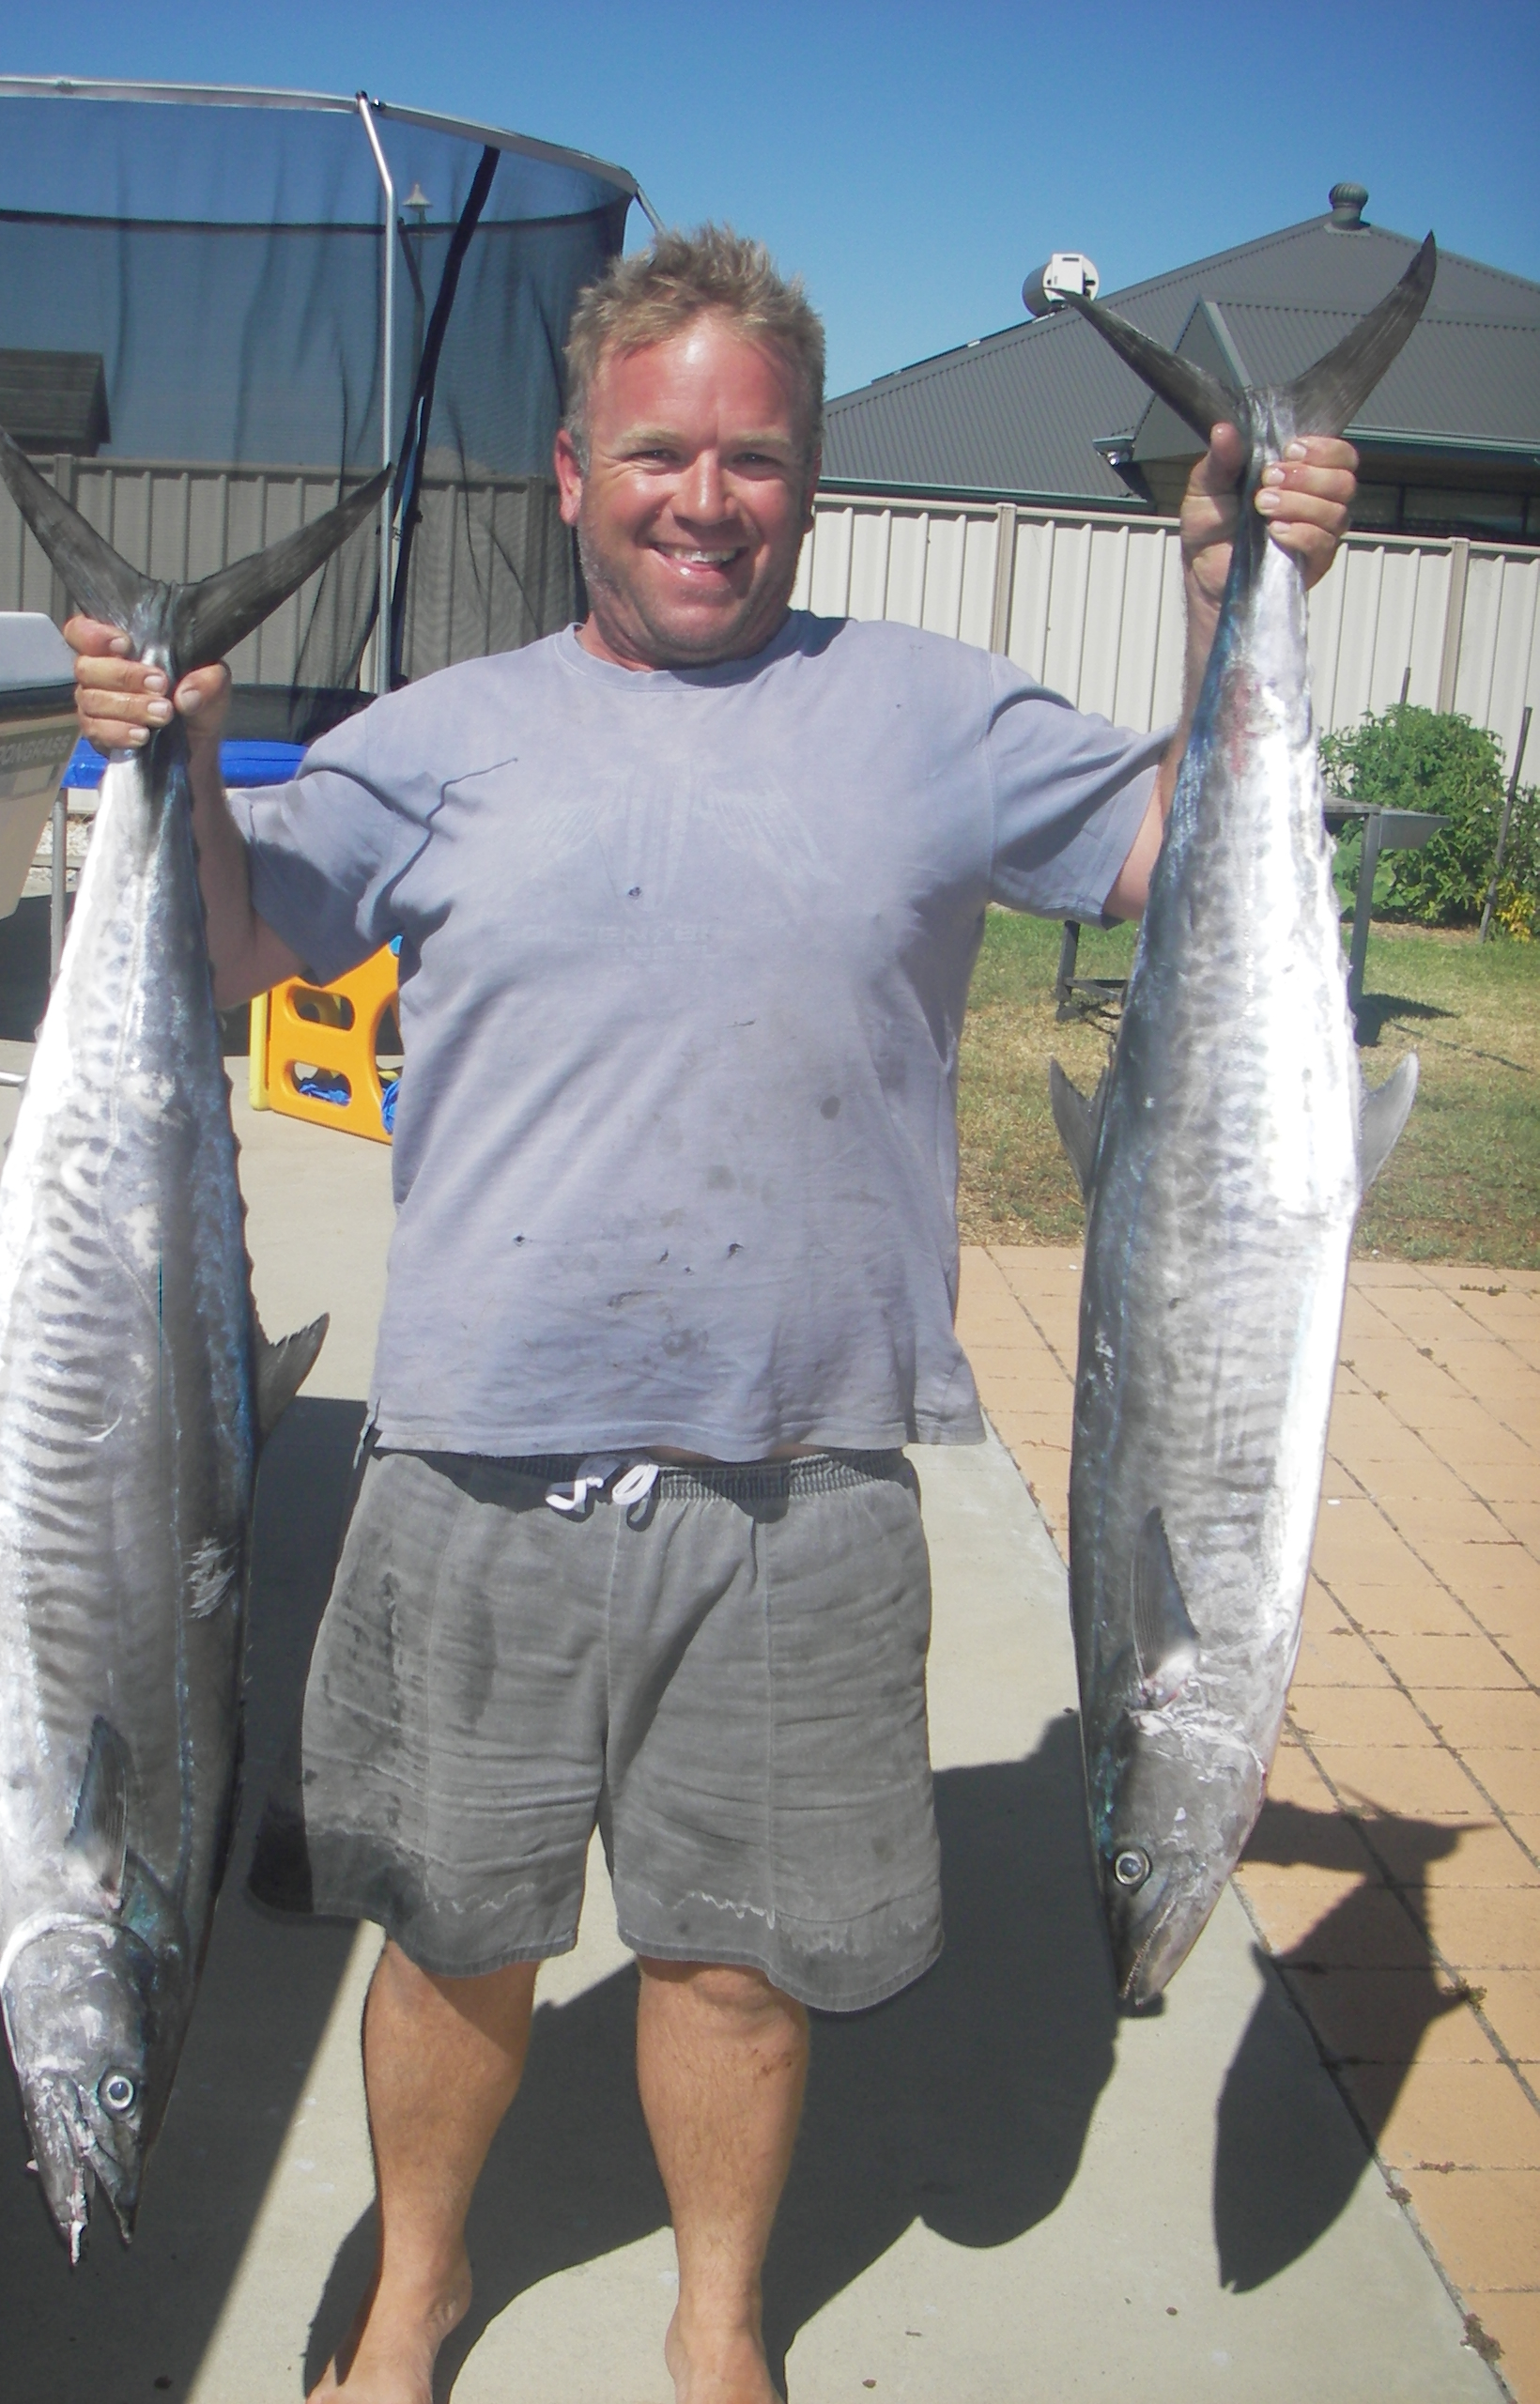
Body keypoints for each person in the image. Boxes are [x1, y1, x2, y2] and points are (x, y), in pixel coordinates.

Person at [69, 226, 1357, 2404]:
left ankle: (720, 2317)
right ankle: (416, 2287)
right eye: (658, 452)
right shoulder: (439, 736)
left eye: (753, 457)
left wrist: (1239, 594)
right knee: (451, 1935)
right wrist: (172, 756)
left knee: (740, 1962)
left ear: (811, 479)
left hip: (806, 1475)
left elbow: (1193, 850)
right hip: (470, 1465)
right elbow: (225, 943)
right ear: (573, 472)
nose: (705, 498)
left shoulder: (940, 714)